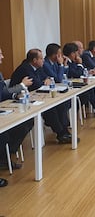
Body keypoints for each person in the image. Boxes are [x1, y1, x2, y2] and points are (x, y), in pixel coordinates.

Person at [10, 49, 77, 144]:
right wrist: (44, 81)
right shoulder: (25, 68)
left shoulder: (37, 67)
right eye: (41, 58)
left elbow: (46, 77)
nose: (43, 60)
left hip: (35, 95)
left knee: (61, 104)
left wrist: (47, 78)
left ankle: (64, 131)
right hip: (19, 100)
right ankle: (61, 133)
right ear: (34, 60)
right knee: (50, 109)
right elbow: (36, 84)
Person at [0, 47, 34, 175]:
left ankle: (6, 156)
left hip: (4, 108)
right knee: (4, 135)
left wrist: (15, 96)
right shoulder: (25, 68)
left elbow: (3, 94)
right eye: (0, 54)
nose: (3, 57)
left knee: (27, 122)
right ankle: (4, 157)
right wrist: (22, 85)